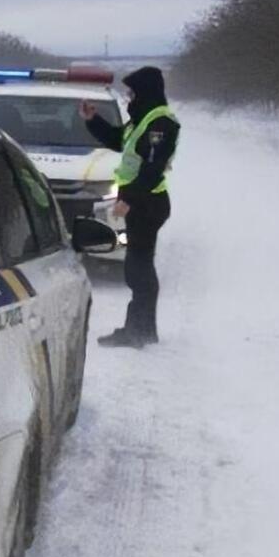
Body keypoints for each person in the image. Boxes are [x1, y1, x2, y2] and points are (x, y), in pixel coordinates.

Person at [78, 66, 180, 348]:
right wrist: (93, 120)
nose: (128, 98)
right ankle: (142, 329)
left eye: (132, 93)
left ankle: (139, 330)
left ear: (145, 91)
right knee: (138, 266)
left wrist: (128, 200)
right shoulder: (142, 120)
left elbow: (152, 168)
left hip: (148, 203)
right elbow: (116, 140)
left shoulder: (161, 123)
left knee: (139, 268)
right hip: (142, 201)